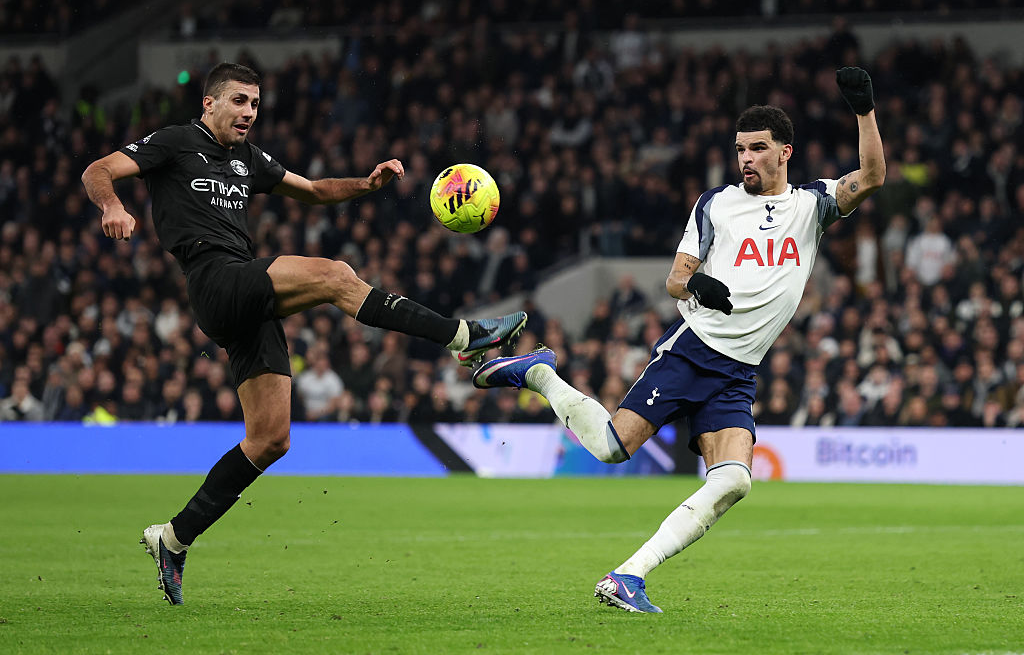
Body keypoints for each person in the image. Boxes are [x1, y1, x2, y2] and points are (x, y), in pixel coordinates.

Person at [81, 62, 526, 605]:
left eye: (255, 105)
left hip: (248, 296)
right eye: (239, 101)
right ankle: (461, 336)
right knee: (336, 275)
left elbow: (312, 189)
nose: (249, 113)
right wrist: (112, 205)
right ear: (209, 103)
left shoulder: (247, 158)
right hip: (215, 280)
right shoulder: (175, 143)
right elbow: (97, 169)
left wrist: (365, 184)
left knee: (271, 439)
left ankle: (173, 539)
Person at [472, 67, 884, 612]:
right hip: (694, 349)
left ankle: (628, 576)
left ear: (786, 152)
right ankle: (539, 373)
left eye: (758, 149)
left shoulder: (813, 204)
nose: (746, 159)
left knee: (734, 482)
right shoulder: (716, 204)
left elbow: (873, 176)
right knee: (611, 448)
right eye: (740, 149)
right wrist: (699, 284)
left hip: (740, 370)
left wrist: (863, 110)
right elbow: (673, 279)